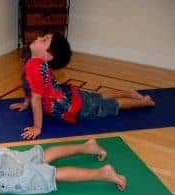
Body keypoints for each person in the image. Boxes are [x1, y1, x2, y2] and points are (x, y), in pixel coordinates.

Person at [9, 33, 155, 139]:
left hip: (71, 105)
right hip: (67, 95)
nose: (39, 38)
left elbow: (36, 98)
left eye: (44, 39)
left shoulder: (34, 65)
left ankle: (143, 102)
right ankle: (127, 91)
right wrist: (25, 103)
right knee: (98, 96)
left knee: (107, 105)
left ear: (48, 56)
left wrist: (37, 127)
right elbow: (28, 84)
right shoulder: (34, 60)